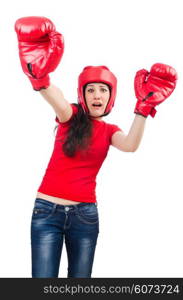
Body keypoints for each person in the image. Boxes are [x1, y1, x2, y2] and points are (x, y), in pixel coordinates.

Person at [15, 16, 178, 278]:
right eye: (91, 90)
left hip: (85, 216)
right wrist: (39, 77)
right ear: (83, 94)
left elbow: (130, 145)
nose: (97, 95)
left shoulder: (110, 131)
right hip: (47, 212)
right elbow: (54, 96)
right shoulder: (70, 116)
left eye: (103, 90)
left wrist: (144, 109)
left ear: (110, 96)